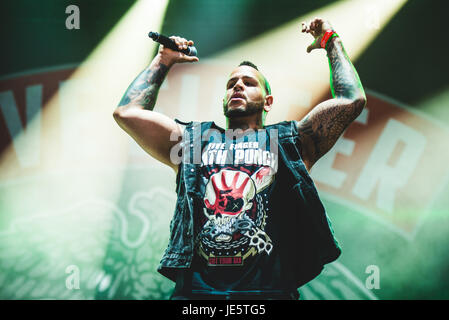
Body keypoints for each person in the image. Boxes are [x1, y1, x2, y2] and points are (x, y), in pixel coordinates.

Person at [113, 18, 366, 300]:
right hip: (197, 295)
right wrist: (163, 60)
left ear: (268, 101)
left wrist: (331, 41)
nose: (238, 87)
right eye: (231, 83)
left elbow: (351, 100)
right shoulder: (194, 140)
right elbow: (127, 113)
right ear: (223, 99)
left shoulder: (288, 142)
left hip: (270, 292)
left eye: (248, 83)